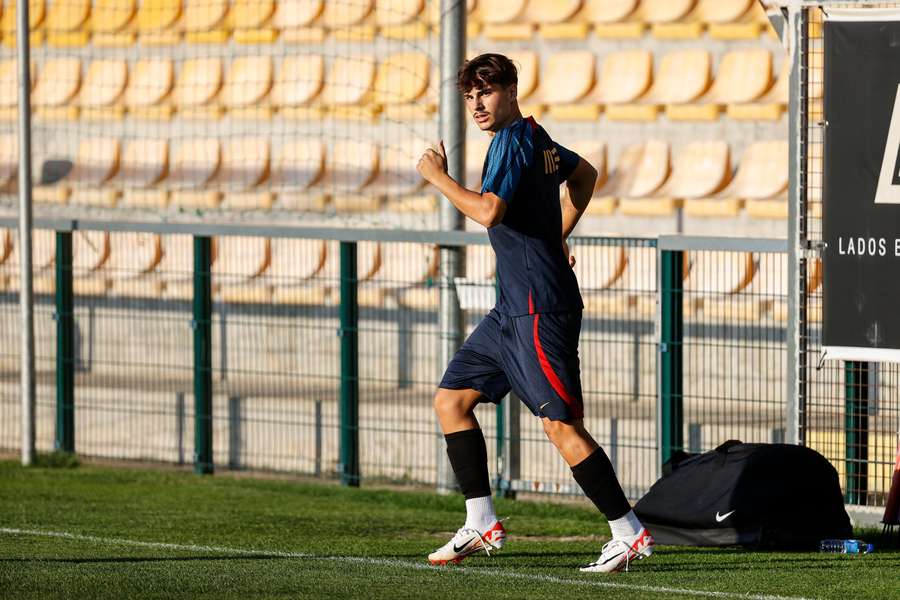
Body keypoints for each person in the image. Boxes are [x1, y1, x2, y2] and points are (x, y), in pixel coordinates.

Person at [415, 53, 654, 574]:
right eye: (470, 95)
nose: (477, 104)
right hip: (510, 310)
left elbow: (488, 211)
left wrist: (436, 176)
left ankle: (628, 531)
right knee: (451, 401)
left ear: (511, 89)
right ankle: (481, 521)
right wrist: (555, 235)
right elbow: (584, 174)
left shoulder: (513, 141)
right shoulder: (536, 138)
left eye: (487, 91)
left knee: (559, 425)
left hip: (538, 309)